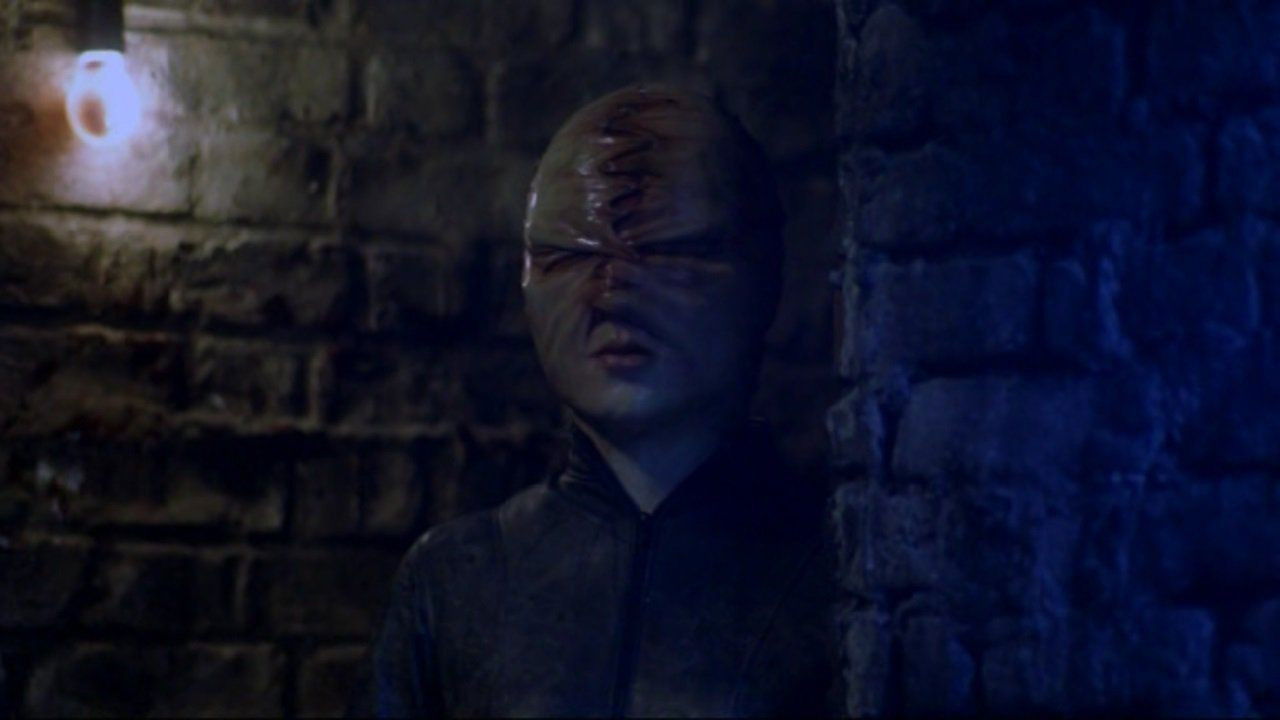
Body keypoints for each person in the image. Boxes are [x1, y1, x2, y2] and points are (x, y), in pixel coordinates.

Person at [349, 83, 836, 717]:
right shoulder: (453, 580)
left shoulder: (845, 582)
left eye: (668, 252)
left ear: (764, 279)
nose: (612, 293)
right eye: (569, 256)